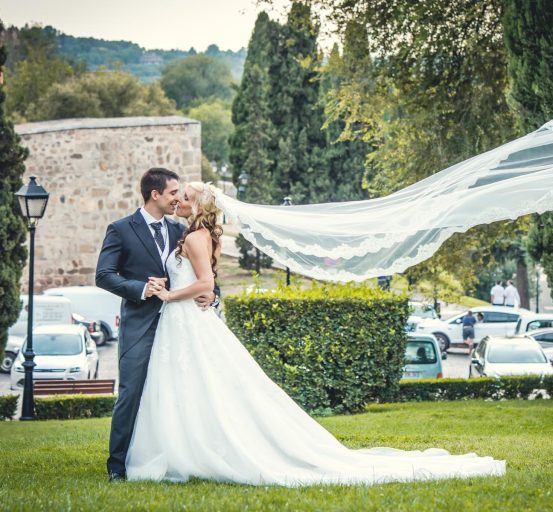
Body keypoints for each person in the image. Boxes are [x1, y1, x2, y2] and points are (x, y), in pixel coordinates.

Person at [124, 182, 505, 486]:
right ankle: (187, 448)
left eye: (185, 197)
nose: (179, 201)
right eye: (177, 196)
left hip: (186, 318)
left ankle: (189, 451)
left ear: (198, 205)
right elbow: (207, 284)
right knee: (197, 385)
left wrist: (172, 294)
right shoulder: (196, 233)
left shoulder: (193, 237)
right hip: (187, 322)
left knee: (196, 384)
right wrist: (194, 292)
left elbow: (205, 281)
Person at [95, 169, 218, 482]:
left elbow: (202, 272)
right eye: (174, 192)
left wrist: (211, 296)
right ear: (155, 194)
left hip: (180, 326)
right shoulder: (121, 229)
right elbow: (104, 275)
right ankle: (117, 466)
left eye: (180, 193)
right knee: (131, 393)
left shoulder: (180, 229)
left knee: (178, 394)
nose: (178, 198)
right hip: (140, 326)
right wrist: (141, 288)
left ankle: (175, 458)